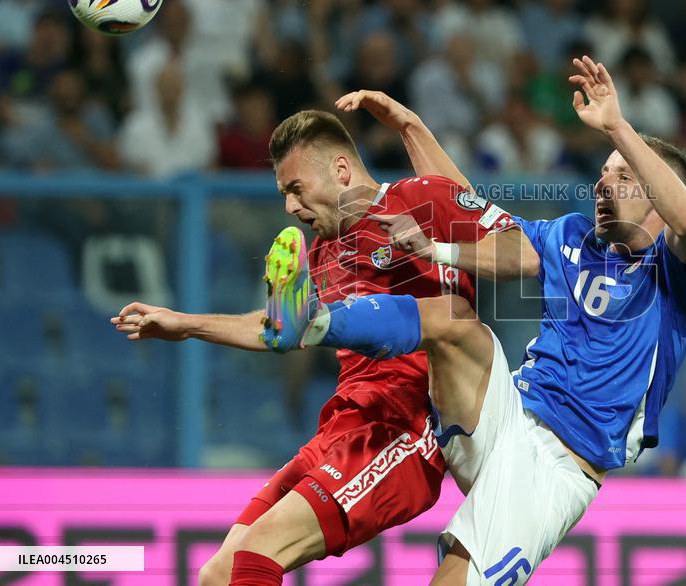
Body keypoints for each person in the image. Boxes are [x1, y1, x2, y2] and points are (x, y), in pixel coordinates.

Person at [274, 57, 686, 583]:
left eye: (623, 175)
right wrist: (412, 129)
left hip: (556, 467)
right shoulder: (572, 235)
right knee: (455, 324)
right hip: (505, 411)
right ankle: (318, 321)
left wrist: (617, 126)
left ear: (658, 195)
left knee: (455, 575)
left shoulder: (677, 271)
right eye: (602, 171)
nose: (603, 183)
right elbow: (473, 212)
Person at [111, 97, 510, 584]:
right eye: (283, 193)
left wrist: (409, 125)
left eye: (296, 188)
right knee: (217, 573)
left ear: (341, 169)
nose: (289, 207)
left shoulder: (417, 204)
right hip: (341, 424)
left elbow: (500, 236)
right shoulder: (321, 253)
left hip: (403, 427)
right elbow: (280, 329)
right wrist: (183, 323)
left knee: (254, 555)